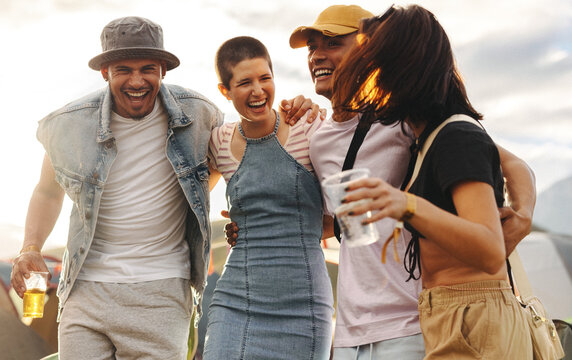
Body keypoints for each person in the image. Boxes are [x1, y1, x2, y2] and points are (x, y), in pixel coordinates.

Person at [10, 16, 320, 360]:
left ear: (163, 70)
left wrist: (299, 108)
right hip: (86, 292)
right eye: (123, 70)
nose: (137, 80)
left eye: (148, 69)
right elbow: (47, 192)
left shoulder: (199, 115)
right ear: (104, 72)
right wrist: (30, 247)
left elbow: (235, 153)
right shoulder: (69, 124)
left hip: (163, 293)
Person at [286, 4, 536, 359]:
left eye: (332, 43)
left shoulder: (406, 120)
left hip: (414, 320)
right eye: (312, 47)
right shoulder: (316, 138)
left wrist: (523, 215)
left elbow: (506, 161)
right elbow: (338, 221)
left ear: (368, 51)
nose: (317, 55)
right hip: (348, 329)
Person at [204, 36, 334, 360]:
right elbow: (188, 202)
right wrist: (238, 225)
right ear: (225, 91)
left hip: (303, 303)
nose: (258, 90)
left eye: (265, 78)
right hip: (236, 299)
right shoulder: (218, 142)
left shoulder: (309, 125)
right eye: (245, 82)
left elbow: (341, 216)